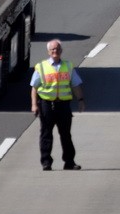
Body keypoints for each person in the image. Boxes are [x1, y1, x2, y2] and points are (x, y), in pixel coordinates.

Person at [30, 39, 85, 171]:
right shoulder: (41, 67)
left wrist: (81, 100)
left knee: (66, 134)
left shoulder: (68, 66)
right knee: (46, 134)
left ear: (61, 51)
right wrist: (34, 105)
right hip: (46, 105)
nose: (55, 51)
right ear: (48, 52)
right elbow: (34, 88)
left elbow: (75, 84)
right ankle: (46, 162)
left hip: (63, 105)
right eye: (52, 49)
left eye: (57, 49)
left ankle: (69, 162)